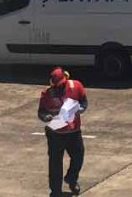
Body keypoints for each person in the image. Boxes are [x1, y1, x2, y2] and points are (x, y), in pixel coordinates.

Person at [38, 67, 88, 197]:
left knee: (78, 156)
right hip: (55, 134)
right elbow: (41, 111)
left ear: (65, 81)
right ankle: (55, 191)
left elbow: (83, 100)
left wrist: (81, 109)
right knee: (55, 163)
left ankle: (72, 178)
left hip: (73, 131)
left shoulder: (76, 86)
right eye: (55, 86)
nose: (57, 89)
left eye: (59, 86)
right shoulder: (47, 93)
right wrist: (46, 117)